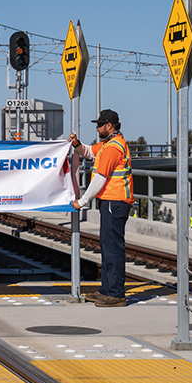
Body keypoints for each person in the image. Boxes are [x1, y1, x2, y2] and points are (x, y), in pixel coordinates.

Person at [68, 109, 134, 308]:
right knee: (108, 247)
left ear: (109, 126)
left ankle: (115, 293)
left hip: (115, 202)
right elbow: (89, 152)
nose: (96, 128)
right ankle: (107, 290)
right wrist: (77, 145)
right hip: (111, 202)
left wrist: (82, 201)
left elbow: (100, 178)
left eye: (99, 125)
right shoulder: (107, 144)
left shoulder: (113, 148)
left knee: (112, 248)